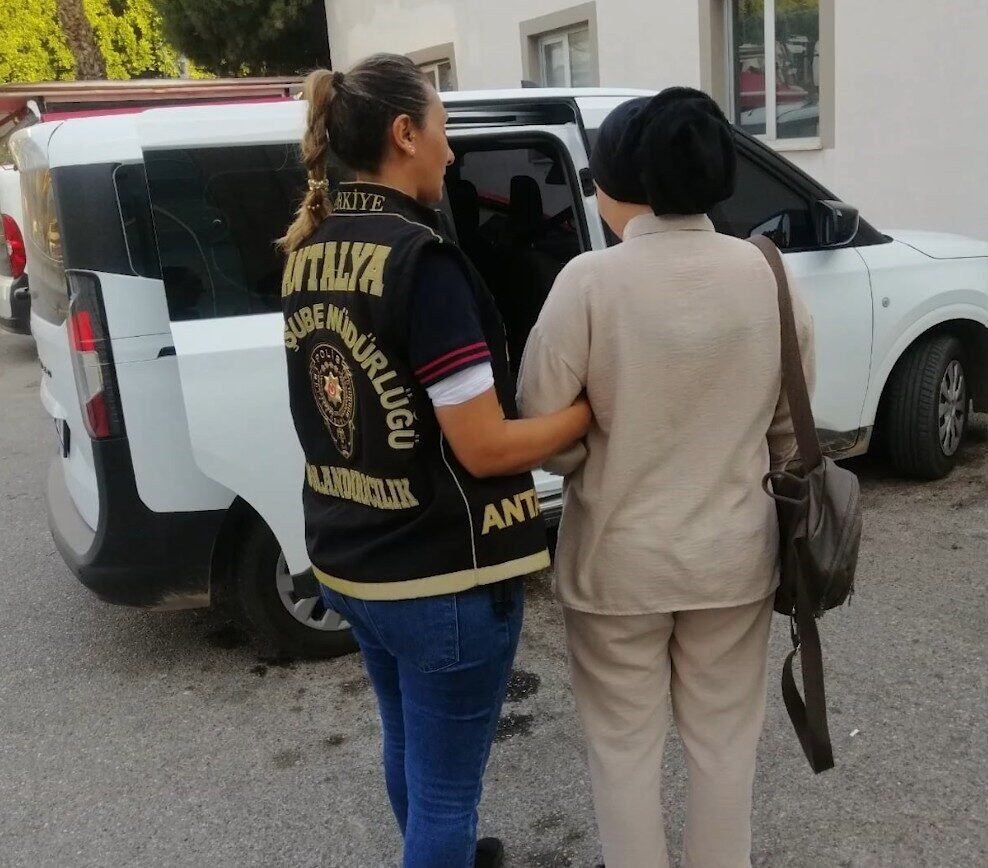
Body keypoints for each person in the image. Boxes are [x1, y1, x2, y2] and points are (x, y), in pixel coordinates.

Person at [279, 55, 591, 868]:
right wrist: (590, 413)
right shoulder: (424, 261)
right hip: (438, 574)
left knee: (411, 751)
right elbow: (482, 446)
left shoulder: (310, 247)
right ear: (404, 134)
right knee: (448, 797)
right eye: (444, 131)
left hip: (352, 560)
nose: (451, 154)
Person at [517, 88, 816, 868]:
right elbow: (791, 432)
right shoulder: (770, 275)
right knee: (725, 749)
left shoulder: (588, 281)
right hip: (734, 559)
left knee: (622, 752)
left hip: (616, 563)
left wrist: (598, 454)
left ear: (624, 185)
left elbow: (542, 427)